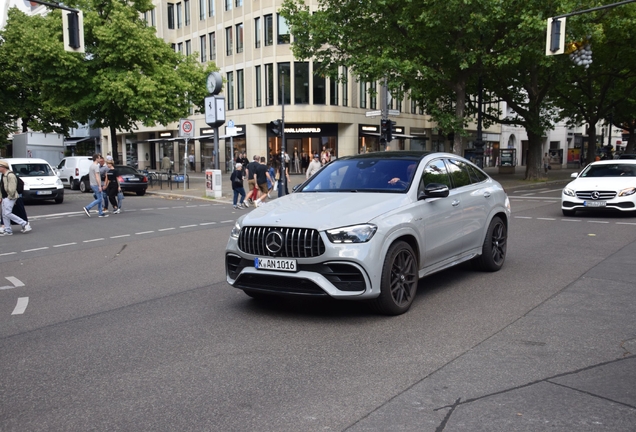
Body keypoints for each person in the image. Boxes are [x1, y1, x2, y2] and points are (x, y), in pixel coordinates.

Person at [0, 160, 32, 235]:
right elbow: (1, 187)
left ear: (3, 167)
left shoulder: (10, 175)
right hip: (5, 197)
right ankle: (8, 230)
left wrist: (9, 197)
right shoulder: (4, 175)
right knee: (4, 214)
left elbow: (12, 188)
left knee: (7, 213)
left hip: (10, 197)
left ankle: (24, 223)